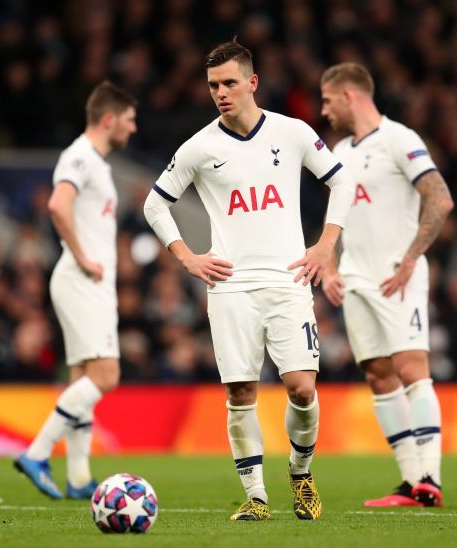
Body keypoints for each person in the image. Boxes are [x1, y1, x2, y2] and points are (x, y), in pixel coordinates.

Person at [143, 39, 355, 521]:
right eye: (214, 85)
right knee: (240, 393)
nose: (221, 92)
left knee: (302, 387)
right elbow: (155, 203)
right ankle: (256, 496)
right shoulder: (199, 146)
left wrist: (325, 246)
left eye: (230, 83)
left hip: (288, 279)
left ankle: (301, 475)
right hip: (231, 286)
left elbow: (340, 181)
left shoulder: (293, 132)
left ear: (252, 82)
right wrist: (187, 258)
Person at [319, 63, 454, 507]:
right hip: (355, 281)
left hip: (398, 277)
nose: (323, 110)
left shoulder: (400, 139)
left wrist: (411, 258)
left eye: (326, 100)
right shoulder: (340, 151)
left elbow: (440, 197)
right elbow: (339, 216)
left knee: (412, 368)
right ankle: (410, 481)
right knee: (378, 376)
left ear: (349, 96)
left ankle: (430, 476)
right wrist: (333, 266)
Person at [14, 81, 137, 500]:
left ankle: (80, 477)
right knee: (107, 376)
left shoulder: (97, 163)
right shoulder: (80, 155)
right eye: (129, 119)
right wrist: (83, 256)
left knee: (84, 377)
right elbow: (56, 204)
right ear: (109, 119)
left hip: (86, 281)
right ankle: (37, 452)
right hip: (82, 278)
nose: (134, 128)